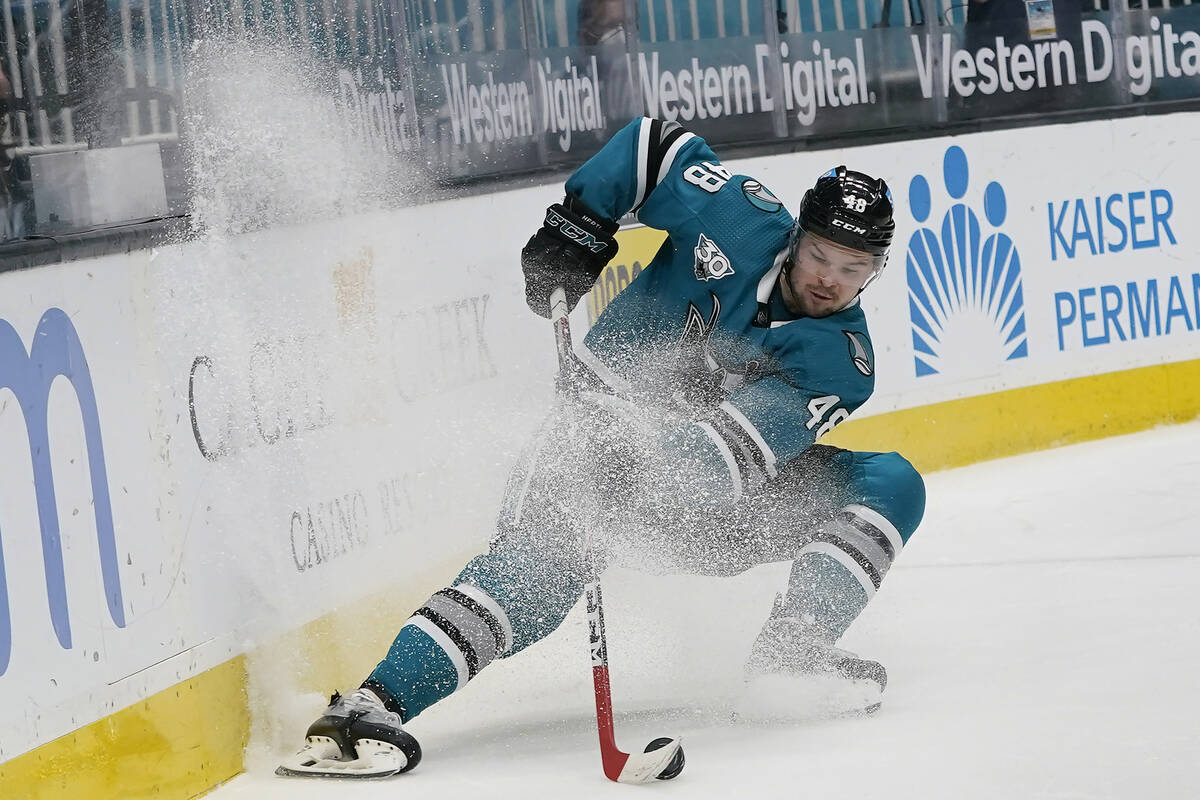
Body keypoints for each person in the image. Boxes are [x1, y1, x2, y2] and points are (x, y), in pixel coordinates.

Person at [277, 117, 926, 779]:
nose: (829, 279)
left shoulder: (841, 363)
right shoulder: (735, 216)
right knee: (535, 577)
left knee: (891, 484)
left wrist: (643, 465)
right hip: (586, 436)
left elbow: (721, 463)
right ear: (796, 237)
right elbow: (652, 146)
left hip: (706, 510)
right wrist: (579, 224)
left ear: (875, 271)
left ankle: (790, 659)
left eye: (854, 269)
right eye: (820, 255)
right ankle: (368, 710)